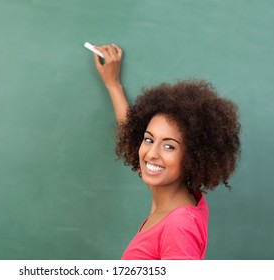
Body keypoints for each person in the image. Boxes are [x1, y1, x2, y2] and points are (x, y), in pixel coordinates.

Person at [90, 44, 241, 260]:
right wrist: (113, 85)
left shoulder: (179, 226)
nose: (151, 153)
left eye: (169, 146)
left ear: (192, 157)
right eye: (149, 139)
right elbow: (134, 140)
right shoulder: (180, 200)